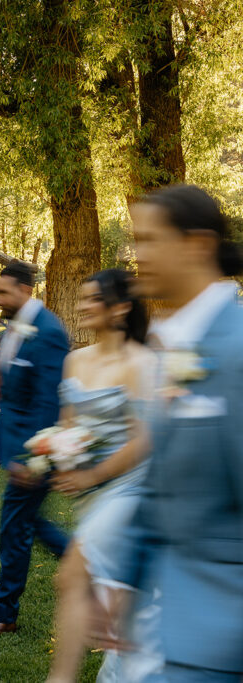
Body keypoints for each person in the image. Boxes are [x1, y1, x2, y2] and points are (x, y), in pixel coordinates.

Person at [103, 184, 243, 682]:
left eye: (150, 240)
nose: (137, 256)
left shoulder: (236, 351)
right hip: (170, 634)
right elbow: (161, 482)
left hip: (222, 643)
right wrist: (125, 578)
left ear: (197, 246)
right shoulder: (179, 346)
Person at [46, 269, 160, 682]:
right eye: (82, 298)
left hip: (130, 487)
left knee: (71, 575)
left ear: (121, 308)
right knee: (117, 590)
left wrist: (91, 476)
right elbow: (68, 423)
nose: (82, 305)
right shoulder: (74, 360)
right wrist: (58, 453)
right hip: (88, 491)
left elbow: (143, 440)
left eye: (93, 298)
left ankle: (60, 678)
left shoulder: (141, 362)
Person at [0, 261, 69, 639]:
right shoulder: (17, 327)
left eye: (3, 292)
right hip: (19, 445)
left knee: (14, 529)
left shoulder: (50, 332)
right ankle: (89, 564)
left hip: (36, 454)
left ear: (25, 290)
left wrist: (31, 458)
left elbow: (47, 402)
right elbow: (13, 395)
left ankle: (2, 613)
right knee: (28, 525)